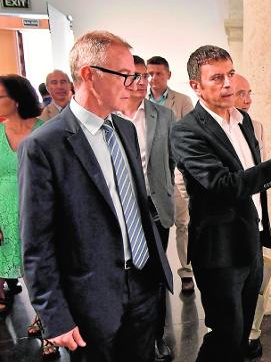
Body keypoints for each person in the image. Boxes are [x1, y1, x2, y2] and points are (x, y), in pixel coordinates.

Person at [18, 31, 173, 362]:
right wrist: (54, 315)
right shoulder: (45, 145)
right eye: (125, 75)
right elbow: (36, 242)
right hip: (90, 298)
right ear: (89, 74)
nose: (134, 85)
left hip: (144, 285)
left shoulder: (125, 130)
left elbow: (133, 204)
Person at [171, 45, 271, 362]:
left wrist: (261, 231)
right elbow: (224, 186)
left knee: (245, 331)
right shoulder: (186, 131)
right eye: (217, 78)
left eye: (230, 74)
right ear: (195, 86)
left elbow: (252, 186)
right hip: (219, 252)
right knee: (225, 334)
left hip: (250, 242)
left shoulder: (243, 121)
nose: (228, 83)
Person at [117, 55, 176, 362]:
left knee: (157, 274)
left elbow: (170, 160)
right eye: (134, 76)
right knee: (126, 274)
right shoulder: (108, 117)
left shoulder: (163, 115)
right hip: (120, 211)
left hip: (155, 208)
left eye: (144, 76)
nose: (141, 82)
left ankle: (156, 337)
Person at [0, 75, 59, 358]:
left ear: (18, 98)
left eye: (0, 96)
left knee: (44, 270)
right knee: (25, 271)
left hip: (40, 207)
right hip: (6, 210)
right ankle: (42, 315)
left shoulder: (44, 130)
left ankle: (51, 327)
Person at [230, 73, 271, 358]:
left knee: (255, 283)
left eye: (249, 93)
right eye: (240, 93)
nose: (247, 100)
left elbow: (261, 173)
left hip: (254, 221)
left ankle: (251, 332)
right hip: (224, 225)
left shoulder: (255, 127)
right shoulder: (204, 130)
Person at [147, 55, 196, 292]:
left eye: (158, 73)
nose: (153, 78)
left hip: (176, 170)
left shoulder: (182, 101)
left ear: (168, 75)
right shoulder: (140, 101)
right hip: (151, 172)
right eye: (150, 73)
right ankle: (159, 270)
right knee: (156, 224)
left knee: (182, 222)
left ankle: (186, 271)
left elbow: (191, 135)